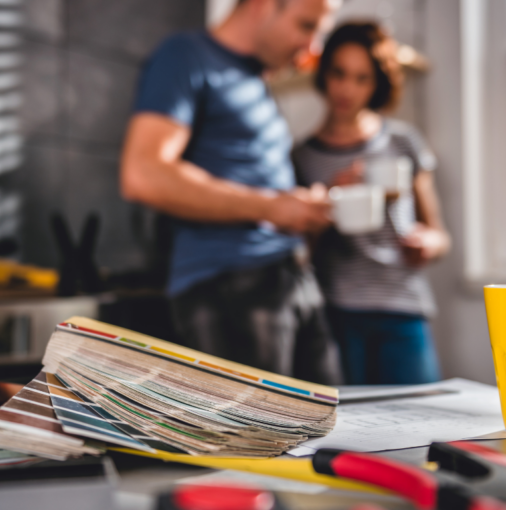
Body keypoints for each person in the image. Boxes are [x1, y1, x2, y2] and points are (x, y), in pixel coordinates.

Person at [120, 0, 343, 385]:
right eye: (306, 26)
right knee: (265, 441)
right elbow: (143, 173)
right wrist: (273, 207)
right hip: (231, 287)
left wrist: (300, 208)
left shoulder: (255, 79)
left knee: (331, 427)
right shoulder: (185, 56)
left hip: (291, 277)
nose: (312, 48)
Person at [294, 23, 451, 385]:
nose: (347, 89)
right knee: (349, 434)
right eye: (339, 73)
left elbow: (440, 234)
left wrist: (428, 243)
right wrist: (328, 198)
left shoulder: (403, 142)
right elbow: (300, 254)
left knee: (419, 431)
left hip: (404, 309)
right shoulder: (303, 157)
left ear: (377, 84)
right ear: (324, 73)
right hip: (338, 314)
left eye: (362, 78)